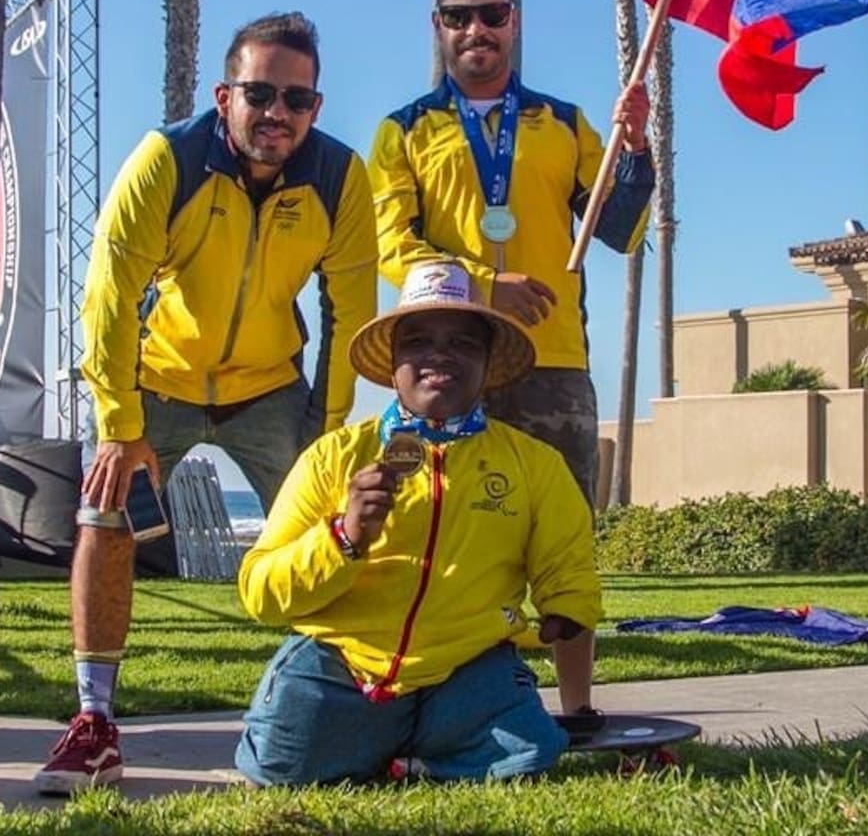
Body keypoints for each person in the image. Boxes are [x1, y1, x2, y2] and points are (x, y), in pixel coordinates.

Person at [34, 12, 378, 794]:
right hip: (160, 379)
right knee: (105, 511)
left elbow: (350, 313)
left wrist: (326, 434)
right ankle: (93, 722)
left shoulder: (338, 178)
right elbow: (110, 296)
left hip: (271, 388)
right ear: (225, 95)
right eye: (260, 93)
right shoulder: (168, 159)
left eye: (296, 99)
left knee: (337, 530)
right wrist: (121, 427)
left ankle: (358, 711)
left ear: (315, 109)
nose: (277, 113)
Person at [367, 0, 653, 722]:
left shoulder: (564, 123)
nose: (476, 31)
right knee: (434, 529)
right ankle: (428, 694)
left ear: (514, 22)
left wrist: (637, 152)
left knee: (565, 536)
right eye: (458, 17)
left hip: (554, 363)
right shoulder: (404, 131)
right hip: (444, 359)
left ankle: (580, 707)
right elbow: (391, 245)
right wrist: (484, 290)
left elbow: (619, 228)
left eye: (491, 15)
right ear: (439, 28)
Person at [234, 260, 601, 786]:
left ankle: (406, 752)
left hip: (468, 667)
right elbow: (260, 592)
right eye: (418, 341)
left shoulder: (533, 464)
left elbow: (568, 569)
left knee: (531, 755)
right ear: (392, 362)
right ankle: (402, 749)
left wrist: (567, 609)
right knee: (280, 768)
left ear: (488, 361)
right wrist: (342, 537)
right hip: (346, 666)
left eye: (464, 344)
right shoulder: (332, 456)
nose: (440, 356)